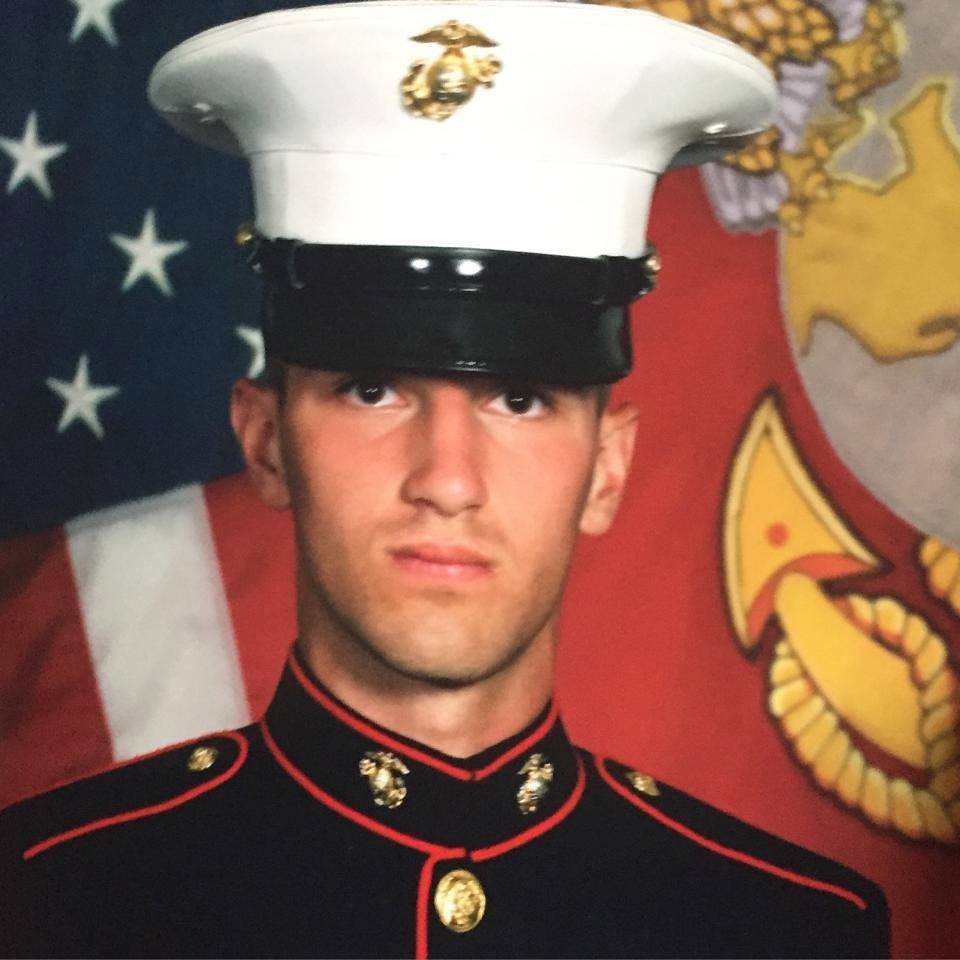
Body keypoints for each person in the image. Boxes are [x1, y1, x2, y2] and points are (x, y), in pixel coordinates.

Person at [1, 2, 890, 957]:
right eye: (372, 390)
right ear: (265, 443)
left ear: (608, 468)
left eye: (521, 400)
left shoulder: (789, 930)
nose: (449, 481)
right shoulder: (46, 902)